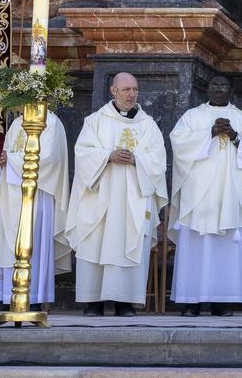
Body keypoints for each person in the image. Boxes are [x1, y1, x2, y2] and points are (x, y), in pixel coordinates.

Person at [66, 72, 168, 316]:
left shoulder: (148, 124)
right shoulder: (95, 121)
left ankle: (125, 302)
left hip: (134, 198)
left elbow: (158, 160)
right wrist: (107, 156)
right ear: (113, 91)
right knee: (96, 242)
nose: (132, 94)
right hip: (101, 197)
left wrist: (137, 159)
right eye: (126, 90)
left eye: (135, 89)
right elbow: (83, 154)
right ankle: (93, 302)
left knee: (129, 241)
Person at [168, 75, 242, 316]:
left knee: (224, 250)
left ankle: (222, 301)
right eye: (214, 85)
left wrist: (235, 137)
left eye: (224, 85)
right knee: (197, 247)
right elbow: (178, 145)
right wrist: (208, 133)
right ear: (207, 89)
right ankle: (191, 302)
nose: (219, 89)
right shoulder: (192, 116)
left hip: (230, 196)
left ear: (230, 89)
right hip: (199, 195)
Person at [0, 108, 70, 311]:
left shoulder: (51, 122)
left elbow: (50, 160)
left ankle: (33, 297)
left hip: (36, 191)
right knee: (4, 243)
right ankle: (3, 296)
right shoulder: (17, 124)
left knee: (33, 242)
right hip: (10, 192)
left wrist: (11, 160)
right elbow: (9, 152)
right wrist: (4, 159)